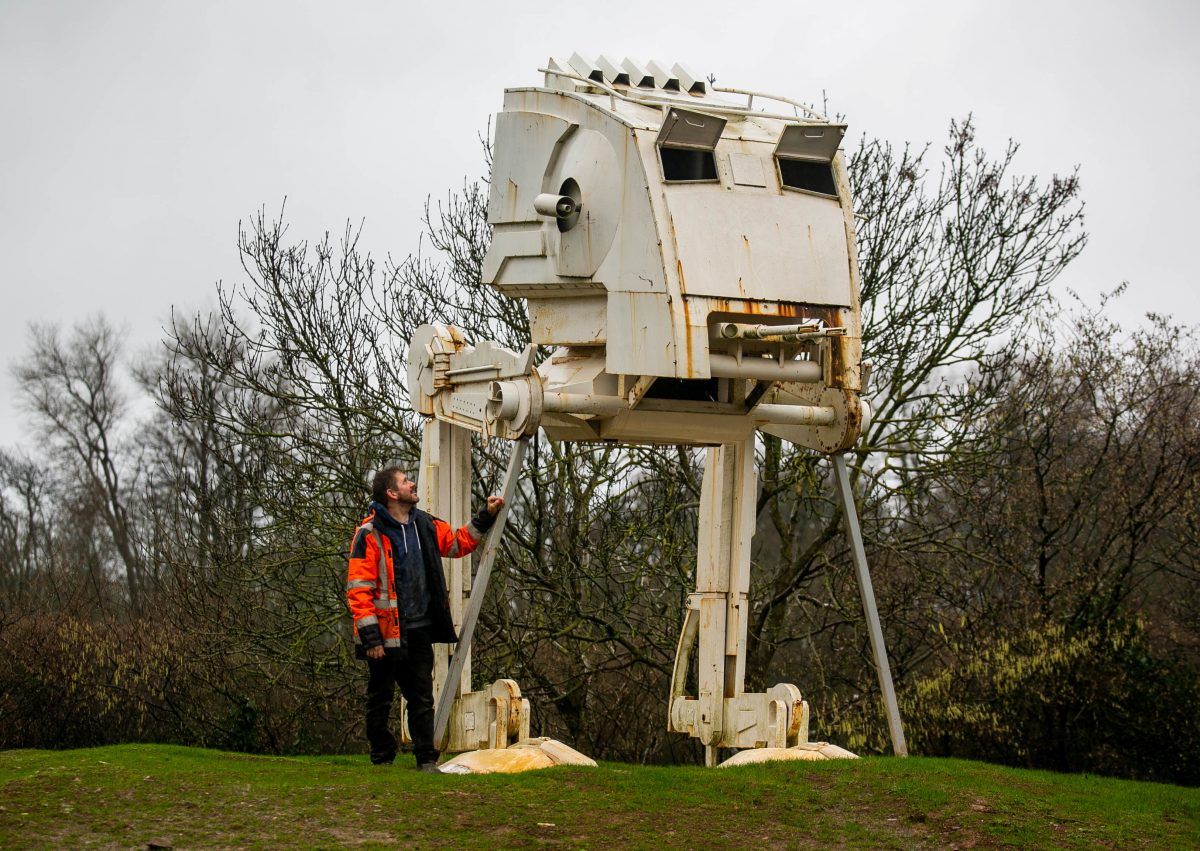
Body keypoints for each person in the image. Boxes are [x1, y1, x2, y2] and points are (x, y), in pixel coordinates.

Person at [346, 466, 503, 770]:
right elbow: (358, 589)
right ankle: (382, 757)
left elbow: (458, 543)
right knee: (380, 698)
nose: (412, 483)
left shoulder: (425, 524)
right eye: (406, 481)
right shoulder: (369, 534)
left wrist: (486, 515)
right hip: (385, 632)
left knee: (421, 696)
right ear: (392, 493)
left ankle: (426, 760)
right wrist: (371, 639)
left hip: (419, 629)